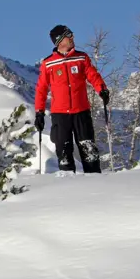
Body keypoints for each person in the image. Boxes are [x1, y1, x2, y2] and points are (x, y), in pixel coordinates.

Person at [33, 25, 109, 173]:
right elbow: (41, 89)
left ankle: (96, 185)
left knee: (89, 152)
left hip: (81, 112)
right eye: (69, 35)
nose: (73, 38)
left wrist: (102, 90)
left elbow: (93, 75)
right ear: (60, 41)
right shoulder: (48, 63)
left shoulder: (81, 57)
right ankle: (68, 189)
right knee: (64, 154)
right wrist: (39, 112)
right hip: (60, 115)